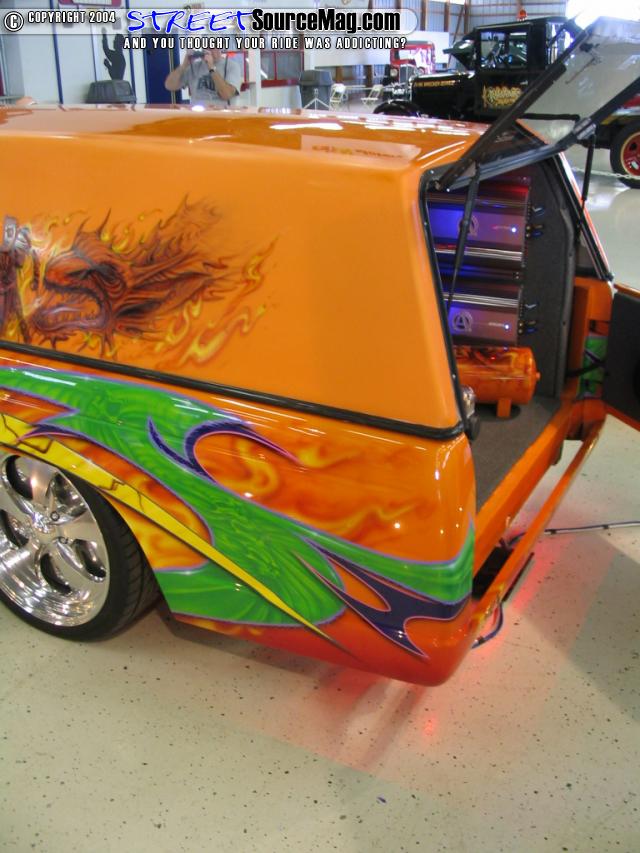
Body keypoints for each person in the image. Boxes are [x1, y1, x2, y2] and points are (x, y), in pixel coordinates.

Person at [165, 49, 242, 106]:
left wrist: (211, 67)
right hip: (198, 117)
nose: (209, 50)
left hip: (221, 117)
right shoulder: (195, 66)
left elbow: (226, 94)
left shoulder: (232, 66)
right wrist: (184, 65)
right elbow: (170, 86)